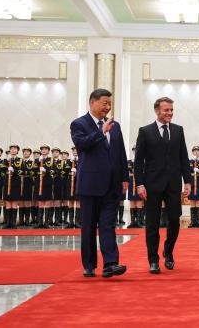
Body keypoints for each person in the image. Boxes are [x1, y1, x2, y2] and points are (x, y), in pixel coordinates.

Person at [70, 88, 129, 278]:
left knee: (108, 225)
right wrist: (101, 132)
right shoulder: (79, 124)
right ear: (92, 102)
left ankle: (110, 264)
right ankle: (89, 265)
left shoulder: (115, 125)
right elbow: (82, 144)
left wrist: (124, 178)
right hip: (89, 184)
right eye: (104, 103)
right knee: (88, 227)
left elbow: (120, 153)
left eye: (109, 104)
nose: (107, 107)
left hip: (112, 186)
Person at [134, 96, 192, 274]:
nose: (170, 113)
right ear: (157, 111)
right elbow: (138, 161)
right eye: (167, 110)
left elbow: (183, 157)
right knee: (151, 224)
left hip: (173, 184)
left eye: (171, 110)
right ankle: (153, 259)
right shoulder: (145, 131)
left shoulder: (178, 130)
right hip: (151, 185)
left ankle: (168, 251)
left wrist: (187, 181)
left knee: (174, 221)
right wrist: (140, 184)